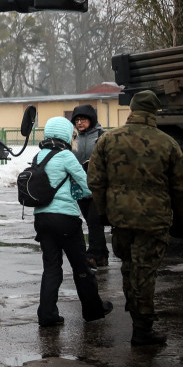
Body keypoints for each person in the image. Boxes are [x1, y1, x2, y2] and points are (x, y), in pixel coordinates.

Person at [88, 90, 183, 346]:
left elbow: (96, 180)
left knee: (128, 267)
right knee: (145, 273)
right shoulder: (168, 143)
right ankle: (142, 329)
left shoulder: (109, 140)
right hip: (154, 221)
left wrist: (102, 212)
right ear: (154, 112)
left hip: (120, 219)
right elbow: (181, 186)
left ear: (132, 111)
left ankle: (137, 315)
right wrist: (180, 219)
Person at [31, 117, 113, 327]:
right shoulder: (66, 155)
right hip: (65, 219)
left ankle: (47, 315)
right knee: (81, 266)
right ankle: (93, 310)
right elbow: (86, 186)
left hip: (42, 219)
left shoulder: (39, 155)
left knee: (51, 268)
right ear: (66, 134)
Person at [71, 104, 108, 267]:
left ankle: (93, 254)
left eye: (83, 119)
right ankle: (102, 255)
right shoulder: (74, 138)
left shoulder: (101, 136)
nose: (79, 123)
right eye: (77, 120)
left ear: (91, 119)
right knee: (91, 221)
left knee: (94, 220)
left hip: (98, 187)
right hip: (80, 186)